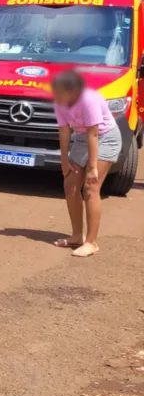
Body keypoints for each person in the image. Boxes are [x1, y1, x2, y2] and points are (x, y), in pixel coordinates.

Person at [51, 70, 122, 257]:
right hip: (82, 138)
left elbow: (94, 134)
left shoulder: (88, 99)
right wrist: (64, 161)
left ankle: (92, 243)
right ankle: (77, 236)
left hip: (105, 138)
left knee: (91, 187)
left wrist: (91, 168)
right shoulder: (59, 101)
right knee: (70, 184)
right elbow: (64, 132)